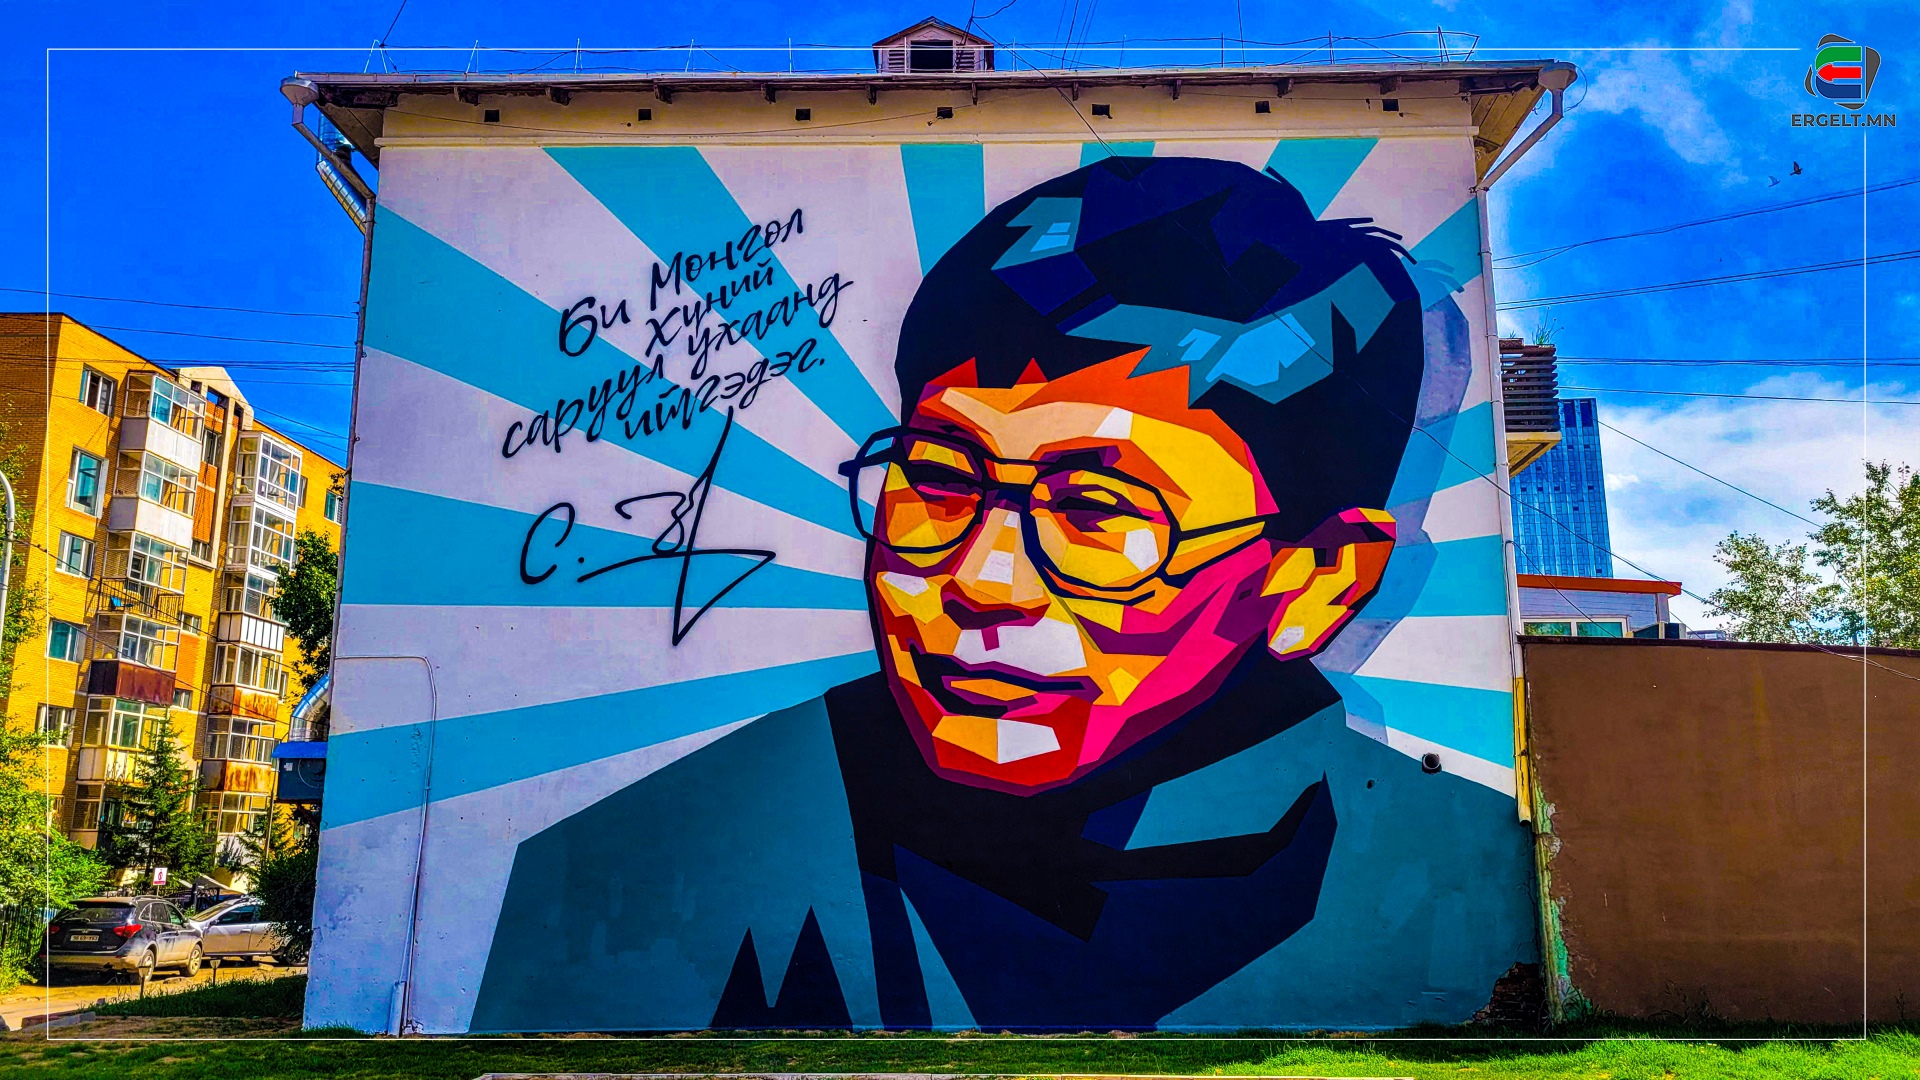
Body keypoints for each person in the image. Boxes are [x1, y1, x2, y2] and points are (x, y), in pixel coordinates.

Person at [474, 156, 1450, 1032]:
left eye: (1097, 512)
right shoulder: (638, 869)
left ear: (1317, 582)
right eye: (940, 481)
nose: (981, 580)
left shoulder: (1434, 867)